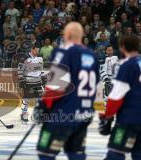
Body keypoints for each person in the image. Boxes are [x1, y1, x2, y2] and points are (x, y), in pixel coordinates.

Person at [33, 22, 99, 160]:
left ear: (67, 35)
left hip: (63, 115)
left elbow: (56, 85)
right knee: (76, 154)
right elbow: (95, 83)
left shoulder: (64, 52)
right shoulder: (92, 55)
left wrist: (43, 107)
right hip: (84, 115)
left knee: (45, 152)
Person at [99, 35, 141, 160]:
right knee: (138, 153)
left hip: (129, 119)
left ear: (122, 48)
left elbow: (116, 97)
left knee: (115, 152)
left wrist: (107, 116)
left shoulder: (127, 66)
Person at [17, 46, 45, 124]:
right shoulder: (25, 58)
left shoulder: (40, 59)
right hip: (28, 81)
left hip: (38, 82)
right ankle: (23, 114)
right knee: (26, 99)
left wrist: (43, 79)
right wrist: (21, 80)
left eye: (38, 50)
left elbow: (41, 70)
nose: (37, 51)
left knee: (39, 100)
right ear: (32, 50)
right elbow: (20, 69)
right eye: (36, 50)